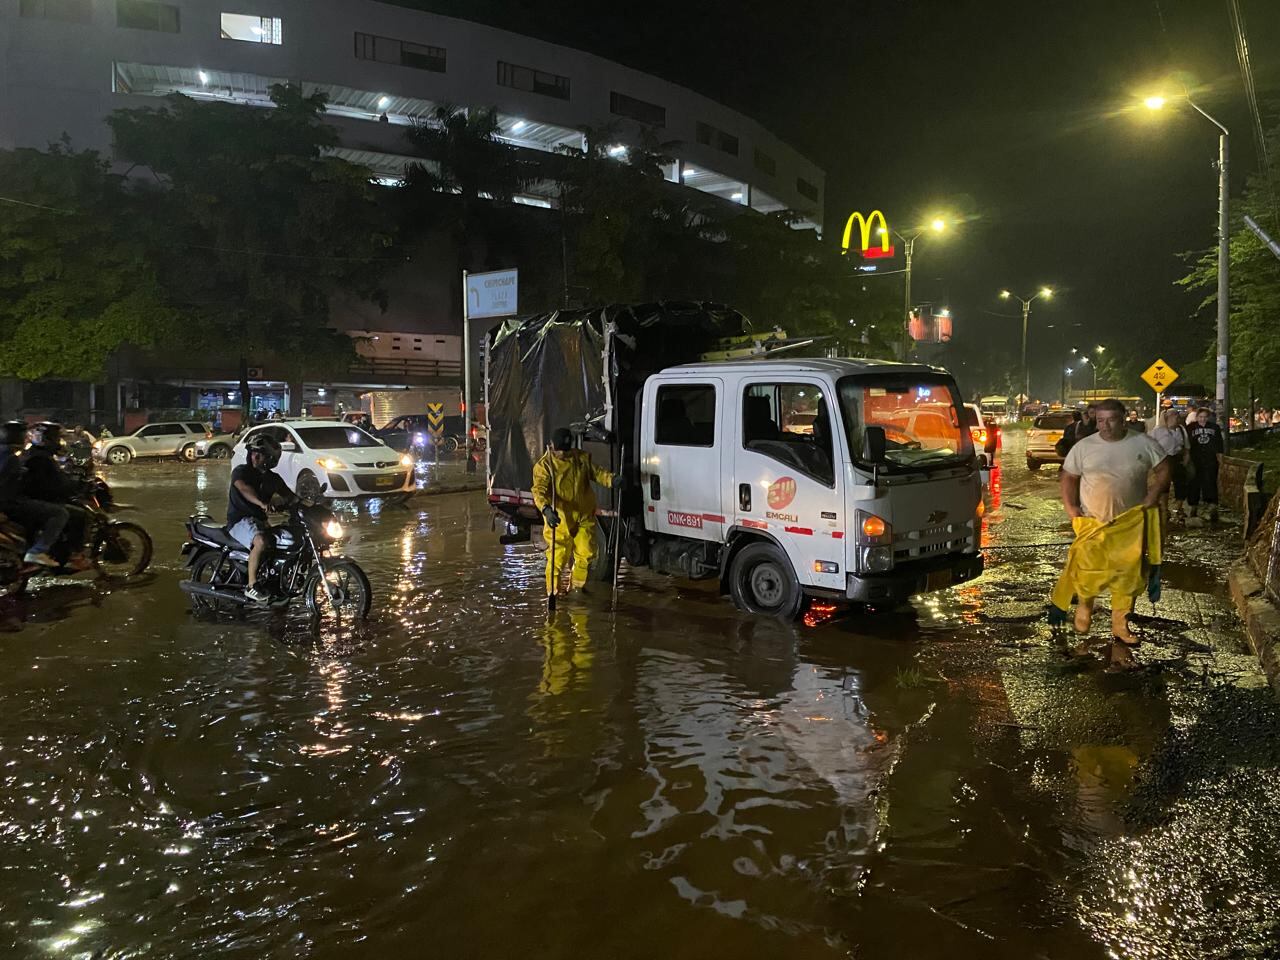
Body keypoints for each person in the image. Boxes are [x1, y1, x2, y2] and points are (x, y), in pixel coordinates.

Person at [1055, 398, 1169, 668]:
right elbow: (1068, 476)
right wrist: (1071, 507)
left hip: (1130, 523)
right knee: (1088, 569)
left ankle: (1120, 624)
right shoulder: (1084, 447)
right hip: (1093, 522)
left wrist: (1154, 493)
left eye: (1111, 420)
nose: (1105, 426)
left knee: (1128, 574)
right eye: (1100, 420)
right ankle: (1085, 608)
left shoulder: (1143, 443)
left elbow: (1165, 469)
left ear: (1124, 418)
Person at [531, 427, 618, 597]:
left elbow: (597, 473)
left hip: (584, 516)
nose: (562, 455)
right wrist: (546, 509)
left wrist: (612, 480)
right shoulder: (545, 466)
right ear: (551, 446)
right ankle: (553, 593)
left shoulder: (581, 459)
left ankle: (577, 589)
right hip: (559, 519)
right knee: (557, 557)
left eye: (565, 451)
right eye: (559, 451)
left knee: (586, 554)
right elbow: (539, 491)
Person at [226, 433, 296, 602]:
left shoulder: (273, 479)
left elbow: (291, 497)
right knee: (261, 541)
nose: (255, 457)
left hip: (259, 521)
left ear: (271, 458)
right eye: (253, 452)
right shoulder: (241, 471)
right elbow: (244, 488)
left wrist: (313, 503)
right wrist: (262, 503)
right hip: (240, 521)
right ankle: (251, 585)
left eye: (260, 454)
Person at [21, 422, 90, 568]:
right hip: (38, 500)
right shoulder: (41, 459)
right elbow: (55, 485)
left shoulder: (36, 454)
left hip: (34, 498)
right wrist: (75, 485)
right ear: (48, 440)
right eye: (57, 439)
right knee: (80, 515)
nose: (59, 442)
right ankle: (73, 556)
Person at [0, 421, 68, 568]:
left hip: (10, 501)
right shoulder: (12, 458)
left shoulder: (9, 454)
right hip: (11, 503)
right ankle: (37, 551)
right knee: (60, 513)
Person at [1185, 406, 1224, 522]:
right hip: (1195, 459)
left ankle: (1212, 506)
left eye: (1205, 417)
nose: (1203, 419)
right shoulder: (1190, 428)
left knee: (1210, 481)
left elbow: (1219, 444)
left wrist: (1219, 457)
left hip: (1210, 459)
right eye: (1200, 417)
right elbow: (1186, 443)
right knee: (1194, 483)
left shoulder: (1214, 427)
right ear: (1197, 417)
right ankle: (1193, 506)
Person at [1150, 408, 1190, 519]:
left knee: (1181, 483)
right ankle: (1164, 508)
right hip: (1164, 459)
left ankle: (1178, 507)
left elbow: (1186, 446)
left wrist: (1186, 459)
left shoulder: (1181, 430)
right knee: (1164, 484)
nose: (1177, 419)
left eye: (1178, 416)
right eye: (1175, 416)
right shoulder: (1157, 431)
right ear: (1168, 418)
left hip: (1177, 459)